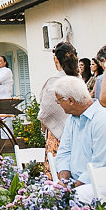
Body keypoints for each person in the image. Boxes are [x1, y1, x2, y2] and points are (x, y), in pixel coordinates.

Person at [54, 75, 106, 203]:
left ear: (70, 100)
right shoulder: (71, 120)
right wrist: (64, 182)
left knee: (76, 197)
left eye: (58, 101)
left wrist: (73, 187)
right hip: (76, 183)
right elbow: (64, 152)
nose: (58, 104)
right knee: (44, 193)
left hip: (102, 182)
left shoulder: (103, 119)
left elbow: (100, 163)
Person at [38, 42, 78, 179]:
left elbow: (45, 111)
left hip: (56, 136)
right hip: (76, 132)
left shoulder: (54, 80)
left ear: (56, 59)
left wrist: (43, 127)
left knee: (56, 173)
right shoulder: (77, 79)